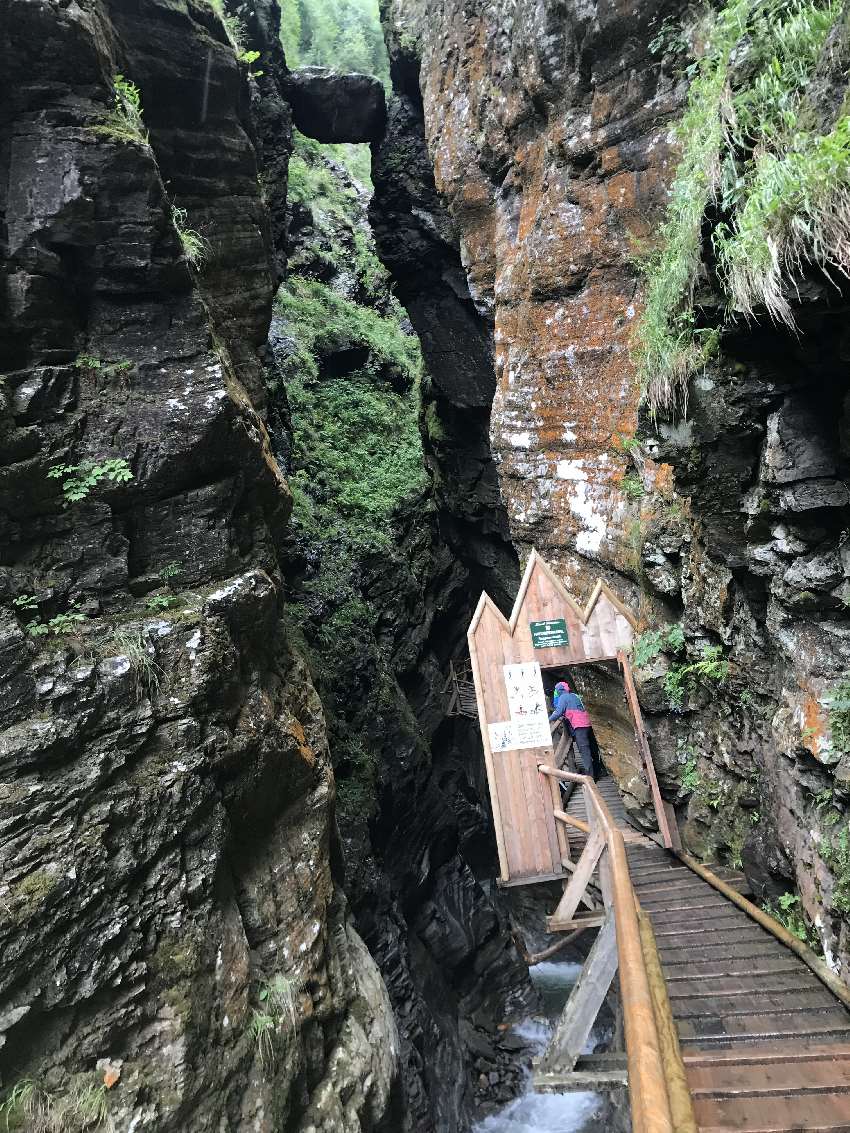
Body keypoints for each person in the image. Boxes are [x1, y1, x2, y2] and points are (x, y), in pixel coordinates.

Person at [548, 680, 597, 779]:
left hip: (579, 726)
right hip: (588, 724)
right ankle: (598, 771)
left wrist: (547, 720)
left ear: (559, 690)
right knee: (593, 748)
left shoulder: (563, 697)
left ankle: (590, 777)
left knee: (584, 751)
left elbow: (558, 712)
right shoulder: (575, 695)